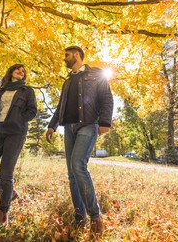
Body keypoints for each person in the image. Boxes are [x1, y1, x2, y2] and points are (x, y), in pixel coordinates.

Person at [46, 46, 113, 238]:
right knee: (71, 174)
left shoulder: (96, 74)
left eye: (66, 55)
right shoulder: (67, 82)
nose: (64, 59)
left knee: (78, 165)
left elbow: (107, 98)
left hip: (89, 125)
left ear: (76, 55)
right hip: (69, 127)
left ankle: (95, 216)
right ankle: (79, 216)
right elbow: (61, 106)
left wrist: (105, 122)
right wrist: (52, 125)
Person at [0, 64, 37, 229]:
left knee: (6, 173)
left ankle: (2, 213)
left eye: (24, 71)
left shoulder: (27, 90)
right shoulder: (2, 90)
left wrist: (17, 119)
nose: (21, 71)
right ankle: (9, 193)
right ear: (11, 72)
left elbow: (33, 111)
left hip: (15, 133)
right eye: (18, 69)